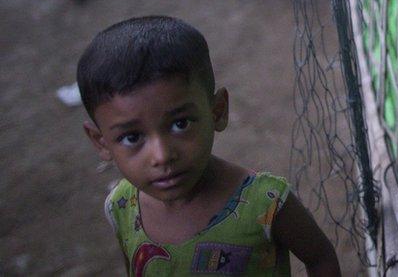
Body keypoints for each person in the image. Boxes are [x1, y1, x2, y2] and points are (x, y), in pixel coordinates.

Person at [78, 16, 342, 276]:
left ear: (217, 111)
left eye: (180, 124)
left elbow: (320, 258)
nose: (162, 156)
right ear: (101, 142)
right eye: (132, 138)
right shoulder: (122, 206)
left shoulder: (264, 203)